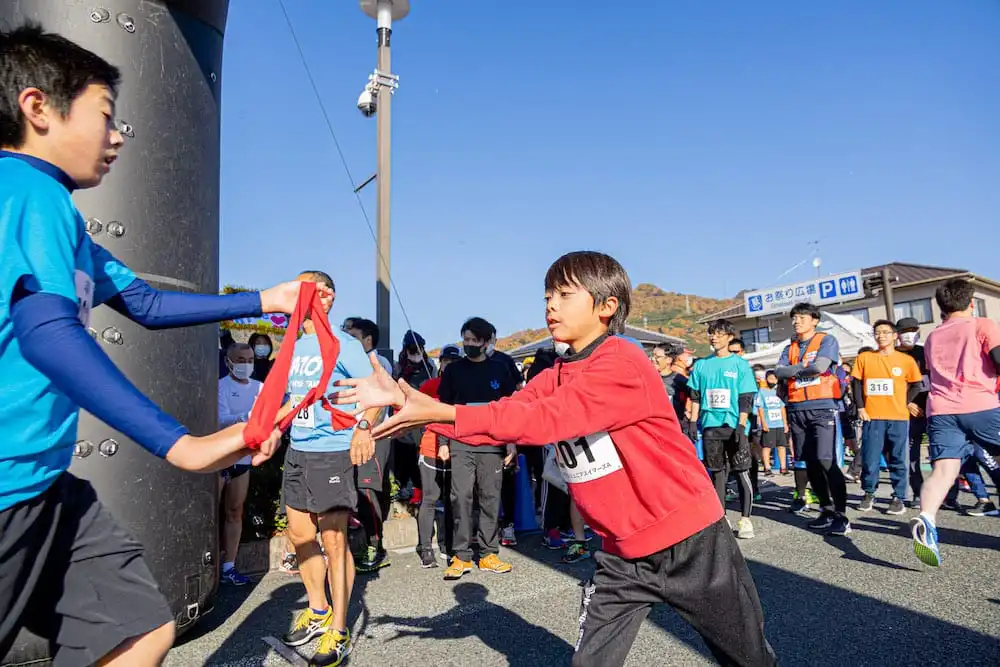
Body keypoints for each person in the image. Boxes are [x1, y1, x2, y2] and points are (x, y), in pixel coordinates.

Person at [0, 24, 291, 666]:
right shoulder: (26, 190)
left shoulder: (62, 220)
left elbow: (147, 305)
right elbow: (46, 332)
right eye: (105, 115)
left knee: (137, 630)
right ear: (37, 108)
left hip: (44, 487)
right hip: (8, 488)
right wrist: (183, 445)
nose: (118, 136)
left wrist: (265, 300)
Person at [334, 251, 776, 667]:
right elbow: (507, 415)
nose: (551, 305)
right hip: (622, 554)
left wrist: (438, 412)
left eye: (565, 294)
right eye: (547, 295)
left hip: (690, 539)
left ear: (607, 306)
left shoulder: (622, 360)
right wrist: (412, 406)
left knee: (748, 657)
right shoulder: (556, 373)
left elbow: (543, 419)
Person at [277, 270, 381, 666]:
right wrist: (265, 428)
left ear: (327, 297)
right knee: (300, 536)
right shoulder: (294, 344)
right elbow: (295, 399)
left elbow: (377, 394)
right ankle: (318, 610)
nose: (298, 296)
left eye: (307, 289)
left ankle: (338, 630)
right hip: (298, 451)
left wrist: (364, 428)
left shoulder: (343, 345)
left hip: (332, 451)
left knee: (334, 542)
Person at [910, 278, 1000, 567]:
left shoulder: (933, 336)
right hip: (981, 405)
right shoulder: (982, 325)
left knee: (943, 472)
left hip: (942, 411)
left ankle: (927, 518)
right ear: (971, 302)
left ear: (941, 307)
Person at [437, 317, 520, 579]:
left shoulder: (500, 369)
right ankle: (461, 556)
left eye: (474, 340)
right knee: (460, 497)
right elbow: (443, 409)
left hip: (492, 444)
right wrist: (443, 442)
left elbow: (510, 409)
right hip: (461, 443)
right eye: (466, 339)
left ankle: (488, 553)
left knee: (490, 499)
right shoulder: (453, 371)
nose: (469, 344)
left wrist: (511, 442)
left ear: (485, 342)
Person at [775, 302, 851, 535]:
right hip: (797, 408)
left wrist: (794, 369)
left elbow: (820, 367)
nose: (797, 321)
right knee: (810, 463)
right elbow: (778, 371)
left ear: (814, 320)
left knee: (826, 460)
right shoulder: (789, 347)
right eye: (794, 317)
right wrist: (802, 367)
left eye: (802, 317)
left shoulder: (826, 340)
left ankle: (841, 516)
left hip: (822, 408)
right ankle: (826, 510)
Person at [688, 320, 759, 539]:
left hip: (734, 424)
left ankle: (746, 519)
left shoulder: (740, 364)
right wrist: (693, 421)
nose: (714, 337)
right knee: (717, 472)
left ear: (729, 337)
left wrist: (742, 425)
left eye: (719, 334)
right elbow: (695, 396)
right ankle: (722, 518)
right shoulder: (701, 365)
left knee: (741, 470)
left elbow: (745, 398)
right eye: (711, 333)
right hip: (711, 424)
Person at [851, 320, 923, 515]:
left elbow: (917, 384)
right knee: (870, 458)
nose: (881, 336)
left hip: (898, 417)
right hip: (872, 416)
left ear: (894, 336)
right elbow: (856, 384)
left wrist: (904, 401)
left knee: (899, 458)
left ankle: (899, 497)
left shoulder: (905, 360)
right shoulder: (865, 357)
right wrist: (861, 407)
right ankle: (868, 493)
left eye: (885, 332)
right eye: (877, 332)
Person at [343, 318, 394, 573]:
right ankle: (354, 546)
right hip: (345, 437)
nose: (346, 339)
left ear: (368, 340)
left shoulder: (377, 363)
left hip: (373, 436)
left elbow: (380, 404)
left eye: (352, 336)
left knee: (368, 491)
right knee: (350, 492)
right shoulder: (344, 362)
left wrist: (365, 428)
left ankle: (375, 546)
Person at [217, 342, 264, 586]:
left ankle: (229, 566)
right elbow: (221, 420)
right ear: (228, 362)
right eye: (240, 360)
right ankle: (207, 564)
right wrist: (246, 418)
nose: (246, 364)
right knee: (210, 513)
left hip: (243, 457)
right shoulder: (220, 386)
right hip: (218, 456)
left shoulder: (260, 388)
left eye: (250, 360)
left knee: (235, 511)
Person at [413, 344, 463, 568]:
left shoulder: (465, 386)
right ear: (440, 363)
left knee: (454, 500)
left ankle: (450, 546)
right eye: (446, 361)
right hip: (430, 449)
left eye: (454, 362)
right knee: (430, 498)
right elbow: (414, 415)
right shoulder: (429, 386)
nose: (449, 365)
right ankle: (425, 548)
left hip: (459, 449)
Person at [895, 317, 930, 507]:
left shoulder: (926, 352)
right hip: (907, 412)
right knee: (911, 456)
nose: (909, 334)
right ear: (897, 334)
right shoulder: (893, 356)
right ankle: (918, 492)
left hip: (933, 409)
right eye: (904, 331)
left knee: (942, 456)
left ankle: (949, 496)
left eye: (913, 330)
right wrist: (906, 403)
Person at [756, 370, 790, 476]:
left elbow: (782, 408)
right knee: (767, 447)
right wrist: (763, 423)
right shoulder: (762, 392)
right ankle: (767, 468)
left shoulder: (778, 392)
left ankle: (783, 468)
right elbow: (760, 408)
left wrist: (785, 423)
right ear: (766, 379)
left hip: (779, 424)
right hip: (768, 424)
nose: (773, 381)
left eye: (775, 379)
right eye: (770, 378)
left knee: (782, 446)